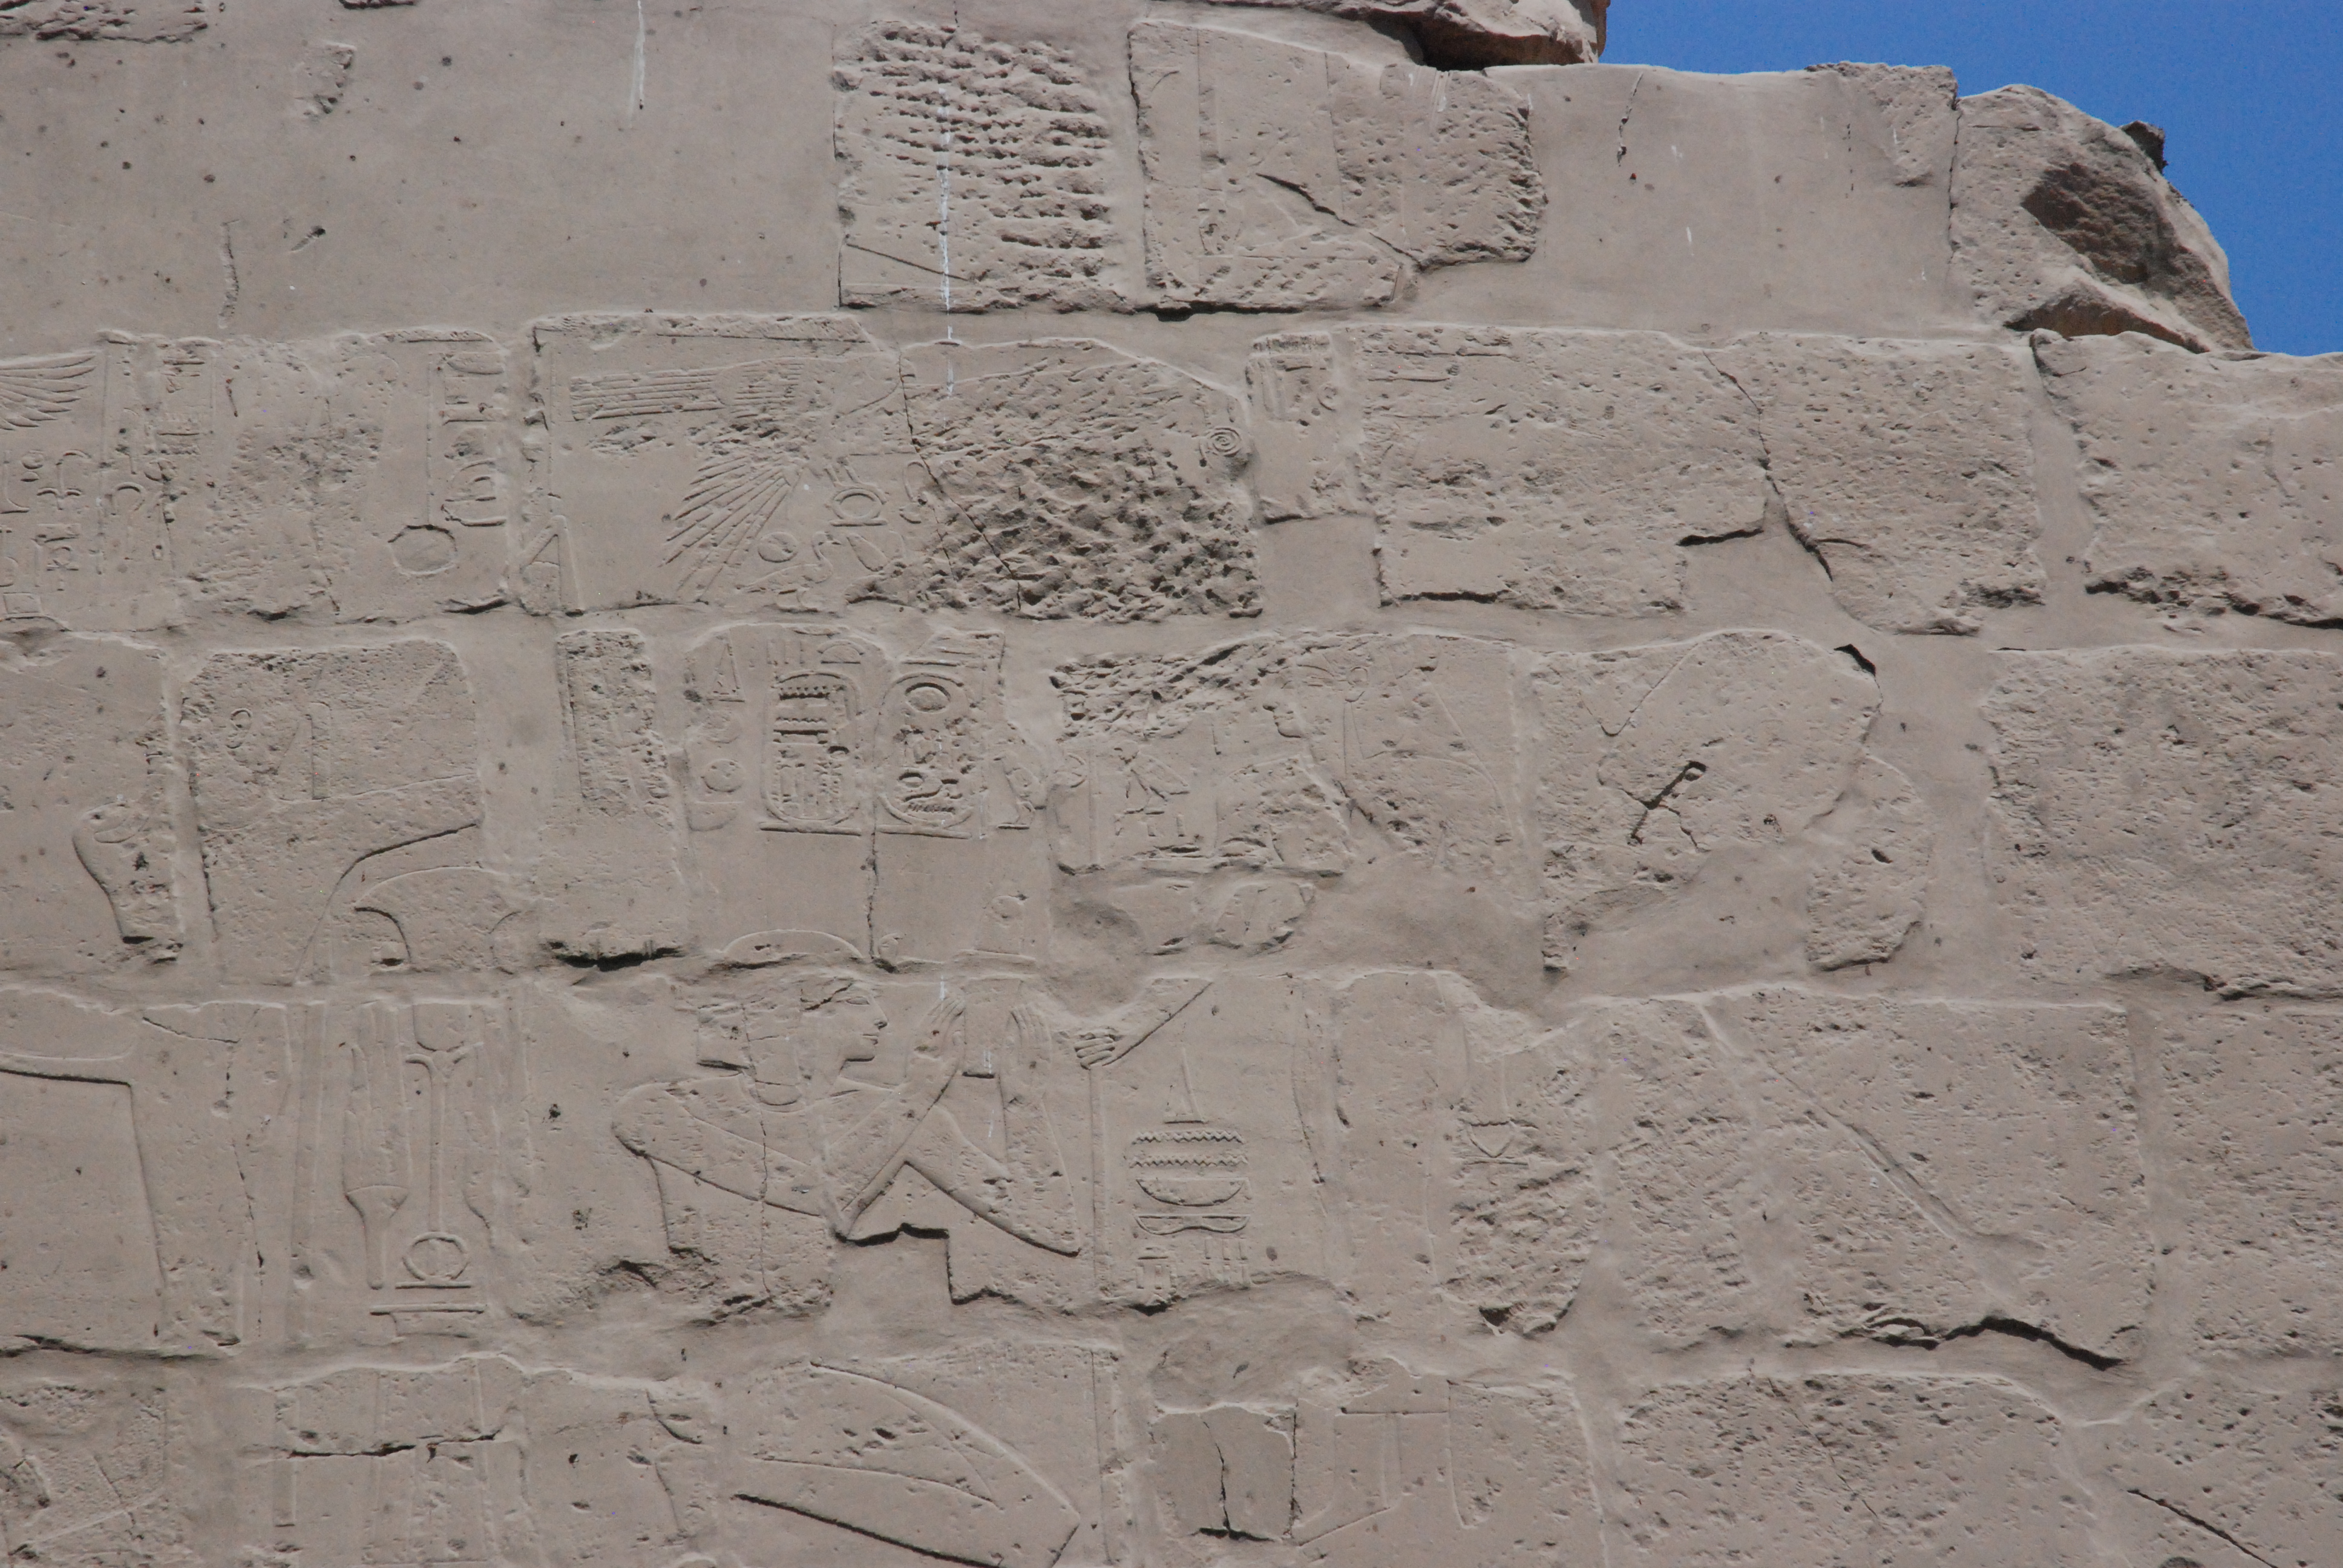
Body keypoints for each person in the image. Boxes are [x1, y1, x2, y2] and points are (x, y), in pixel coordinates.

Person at [614, 973, 1080, 1258]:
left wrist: (1023, 1104)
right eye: (856, 1001)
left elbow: (1052, 1225)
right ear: (786, 1016)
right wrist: (915, 1095)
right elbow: (818, 1195)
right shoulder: (664, 1108)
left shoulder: (899, 1114)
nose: (881, 1018)